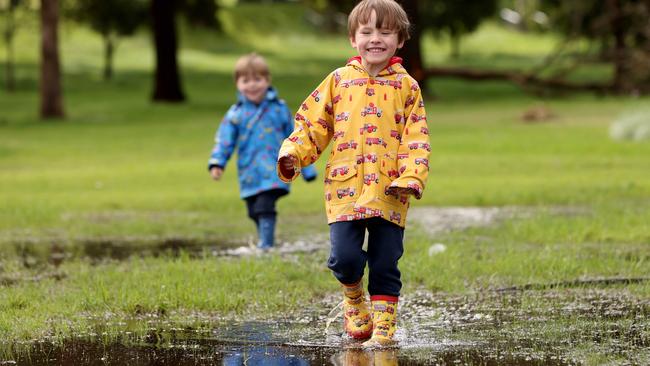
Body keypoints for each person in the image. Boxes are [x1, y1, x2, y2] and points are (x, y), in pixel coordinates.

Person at [277, 0, 430, 347]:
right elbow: (312, 125)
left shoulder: (408, 89)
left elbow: (416, 138)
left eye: (385, 32)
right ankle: (353, 296)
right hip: (344, 190)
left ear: (400, 40)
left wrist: (411, 176)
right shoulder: (339, 81)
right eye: (367, 31)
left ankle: (384, 329)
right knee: (344, 259)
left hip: (391, 192)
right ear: (353, 39)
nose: (376, 39)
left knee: (385, 260)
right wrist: (293, 154)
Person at [209, 53, 317, 250]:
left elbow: (295, 137)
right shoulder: (235, 114)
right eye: (246, 80)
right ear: (237, 84)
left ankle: (266, 246)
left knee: (264, 206)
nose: (252, 85)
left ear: (267, 81)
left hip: (275, 171)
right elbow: (225, 141)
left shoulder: (279, 109)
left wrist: (307, 169)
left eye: (257, 79)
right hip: (249, 173)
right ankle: (265, 238)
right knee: (253, 211)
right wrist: (217, 163)